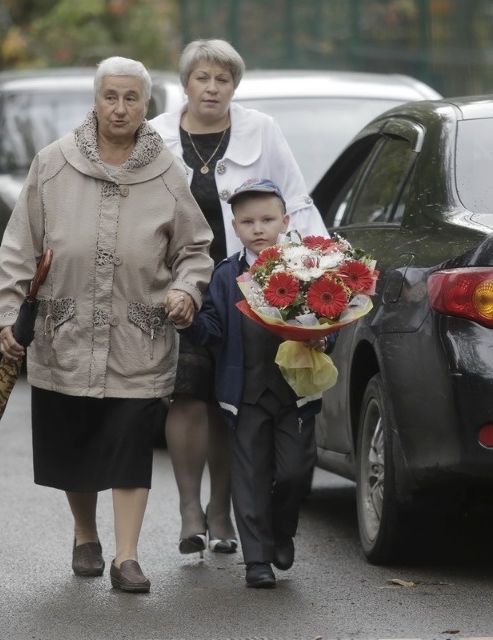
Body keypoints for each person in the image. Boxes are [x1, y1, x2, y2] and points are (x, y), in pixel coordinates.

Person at [0, 56, 214, 594]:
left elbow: (195, 249)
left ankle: (127, 557)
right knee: (77, 442)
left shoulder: (167, 172)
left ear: (146, 105)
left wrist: (185, 290)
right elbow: (20, 247)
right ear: (96, 100)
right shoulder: (54, 164)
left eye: (131, 98)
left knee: (131, 442)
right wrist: (4, 315)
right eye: (110, 96)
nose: (120, 107)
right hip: (66, 330)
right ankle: (85, 535)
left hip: (139, 334)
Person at [150, 38, 327, 559]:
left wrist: (314, 270)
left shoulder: (261, 129)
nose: (212, 88)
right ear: (186, 83)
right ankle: (189, 509)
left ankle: (223, 509)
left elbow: (295, 199)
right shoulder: (156, 135)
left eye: (222, 79)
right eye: (202, 78)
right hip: (178, 285)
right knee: (186, 395)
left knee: (229, 400)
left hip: (244, 289)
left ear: (234, 85)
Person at [176, 178, 330, 588]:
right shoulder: (226, 276)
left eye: (266, 220)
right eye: (247, 222)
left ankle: (282, 529)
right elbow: (212, 329)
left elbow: (328, 317)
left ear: (285, 220)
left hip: (296, 390)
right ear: (234, 225)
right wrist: (189, 322)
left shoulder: (307, 267)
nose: (258, 229)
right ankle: (256, 560)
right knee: (250, 477)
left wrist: (324, 337)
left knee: (295, 473)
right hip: (244, 394)